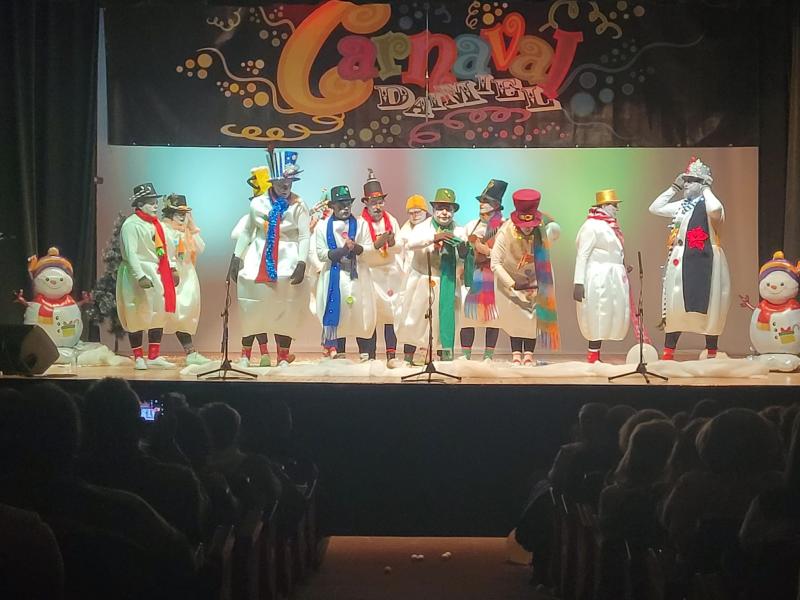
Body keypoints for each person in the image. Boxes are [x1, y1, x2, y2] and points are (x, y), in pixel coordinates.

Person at [232, 151, 311, 367]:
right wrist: (236, 256)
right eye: (281, 182)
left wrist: (302, 262)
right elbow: (247, 231)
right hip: (259, 257)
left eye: (289, 182)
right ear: (272, 182)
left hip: (287, 258)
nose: (286, 186)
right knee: (253, 306)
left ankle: (283, 356)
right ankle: (246, 355)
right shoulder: (258, 203)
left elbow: (304, 235)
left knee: (285, 308)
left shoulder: (298, 205)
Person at [649, 157, 731, 359]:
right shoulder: (683, 206)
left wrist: (706, 188)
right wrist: (674, 187)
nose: (686, 184)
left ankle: (711, 353)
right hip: (680, 261)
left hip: (705, 260)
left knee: (709, 307)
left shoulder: (710, 205)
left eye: (691, 181)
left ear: (702, 184)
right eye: (685, 180)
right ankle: (668, 353)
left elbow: (715, 210)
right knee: (676, 307)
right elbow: (655, 208)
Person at [490, 189, 561, 366]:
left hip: (536, 281)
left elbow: (556, 229)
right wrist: (511, 283)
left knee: (532, 319)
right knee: (515, 318)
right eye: (524, 224)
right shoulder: (505, 232)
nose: (528, 227)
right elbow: (495, 263)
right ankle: (516, 354)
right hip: (511, 282)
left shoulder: (542, 231)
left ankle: (529, 354)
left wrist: (546, 219)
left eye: (532, 223)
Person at [395, 188, 466, 361]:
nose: (444, 213)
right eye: (441, 208)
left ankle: (445, 357)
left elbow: (464, 257)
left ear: (453, 211)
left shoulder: (459, 230)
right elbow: (410, 244)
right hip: (422, 279)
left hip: (447, 280)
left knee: (446, 319)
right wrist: (434, 238)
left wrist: (464, 252)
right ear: (433, 210)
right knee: (415, 319)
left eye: (448, 209)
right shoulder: (422, 227)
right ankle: (408, 358)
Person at [116, 183, 179, 370]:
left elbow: (168, 248)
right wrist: (140, 275)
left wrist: (172, 268)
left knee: (158, 313)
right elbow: (131, 253)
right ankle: (138, 357)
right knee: (136, 313)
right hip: (138, 274)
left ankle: (153, 355)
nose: (155, 206)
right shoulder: (131, 225)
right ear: (140, 204)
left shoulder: (157, 225)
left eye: (155, 202)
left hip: (157, 272)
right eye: (151, 203)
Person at [314, 184, 377, 358]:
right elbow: (321, 254)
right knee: (339, 314)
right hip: (334, 276)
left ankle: (366, 354)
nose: (345, 208)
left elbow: (369, 250)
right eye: (341, 205)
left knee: (361, 314)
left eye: (348, 204)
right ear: (332, 206)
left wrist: (355, 248)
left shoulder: (361, 224)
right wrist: (342, 251)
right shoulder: (322, 227)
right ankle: (338, 353)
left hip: (358, 275)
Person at [573, 189, 632, 363]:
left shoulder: (610, 226)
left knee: (610, 314)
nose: (616, 209)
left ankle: (596, 354)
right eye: (614, 205)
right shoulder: (591, 226)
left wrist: (621, 265)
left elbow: (613, 251)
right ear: (604, 206)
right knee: (597, 313)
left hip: (612, 276)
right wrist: (578, 282)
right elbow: (582, 255)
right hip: (598, 276)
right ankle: (593, 355)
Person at [357, 169, 402, 363]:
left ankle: (391, 354)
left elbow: (400, 246)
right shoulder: (360, 223)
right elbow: (359, 251)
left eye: (380, 202)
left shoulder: (392, 220)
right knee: (371, 316)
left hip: (389, 274)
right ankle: (371, 355)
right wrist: (376, 245)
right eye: (373, 202)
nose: (377, 206)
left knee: (390, 315)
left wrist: (391, 243)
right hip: (370, 275)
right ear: (366, 203)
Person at [460, 179, 507, 362]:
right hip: (474, 275)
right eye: (481, 200)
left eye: (486, 201)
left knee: (493, 317)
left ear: (496, 206)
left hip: (493, 276)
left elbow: (506, 253)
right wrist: (466, 251)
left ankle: (488, 355)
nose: (482, 204)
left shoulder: (504, 227)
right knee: (468, 316)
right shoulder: (471, 225)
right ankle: (466, 354)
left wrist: (485, 250)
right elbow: (464, 249)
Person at [161, 193, 210, 365]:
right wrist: (172, 269)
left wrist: (193, 227)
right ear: (170, 213)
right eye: (178, 213)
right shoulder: (164, 229)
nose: (182, 217)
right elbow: (164, 251)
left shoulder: (187, 231)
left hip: (187, 275)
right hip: (170, 274)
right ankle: (153, 354)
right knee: (166, 313)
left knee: (186, 314)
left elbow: (201, 248)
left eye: (184, 213)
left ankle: (190, 352)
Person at [394, 194, 430, 365]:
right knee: (408, 315)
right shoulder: (405, 230)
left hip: (427, 277)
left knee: (426, 317)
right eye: (411, 212)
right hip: (409, 278)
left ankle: (425, 353)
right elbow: (398, 254)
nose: (414, 215)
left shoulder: (431, 227)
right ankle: (408, 355)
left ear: (425, 211)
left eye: (418, 212)